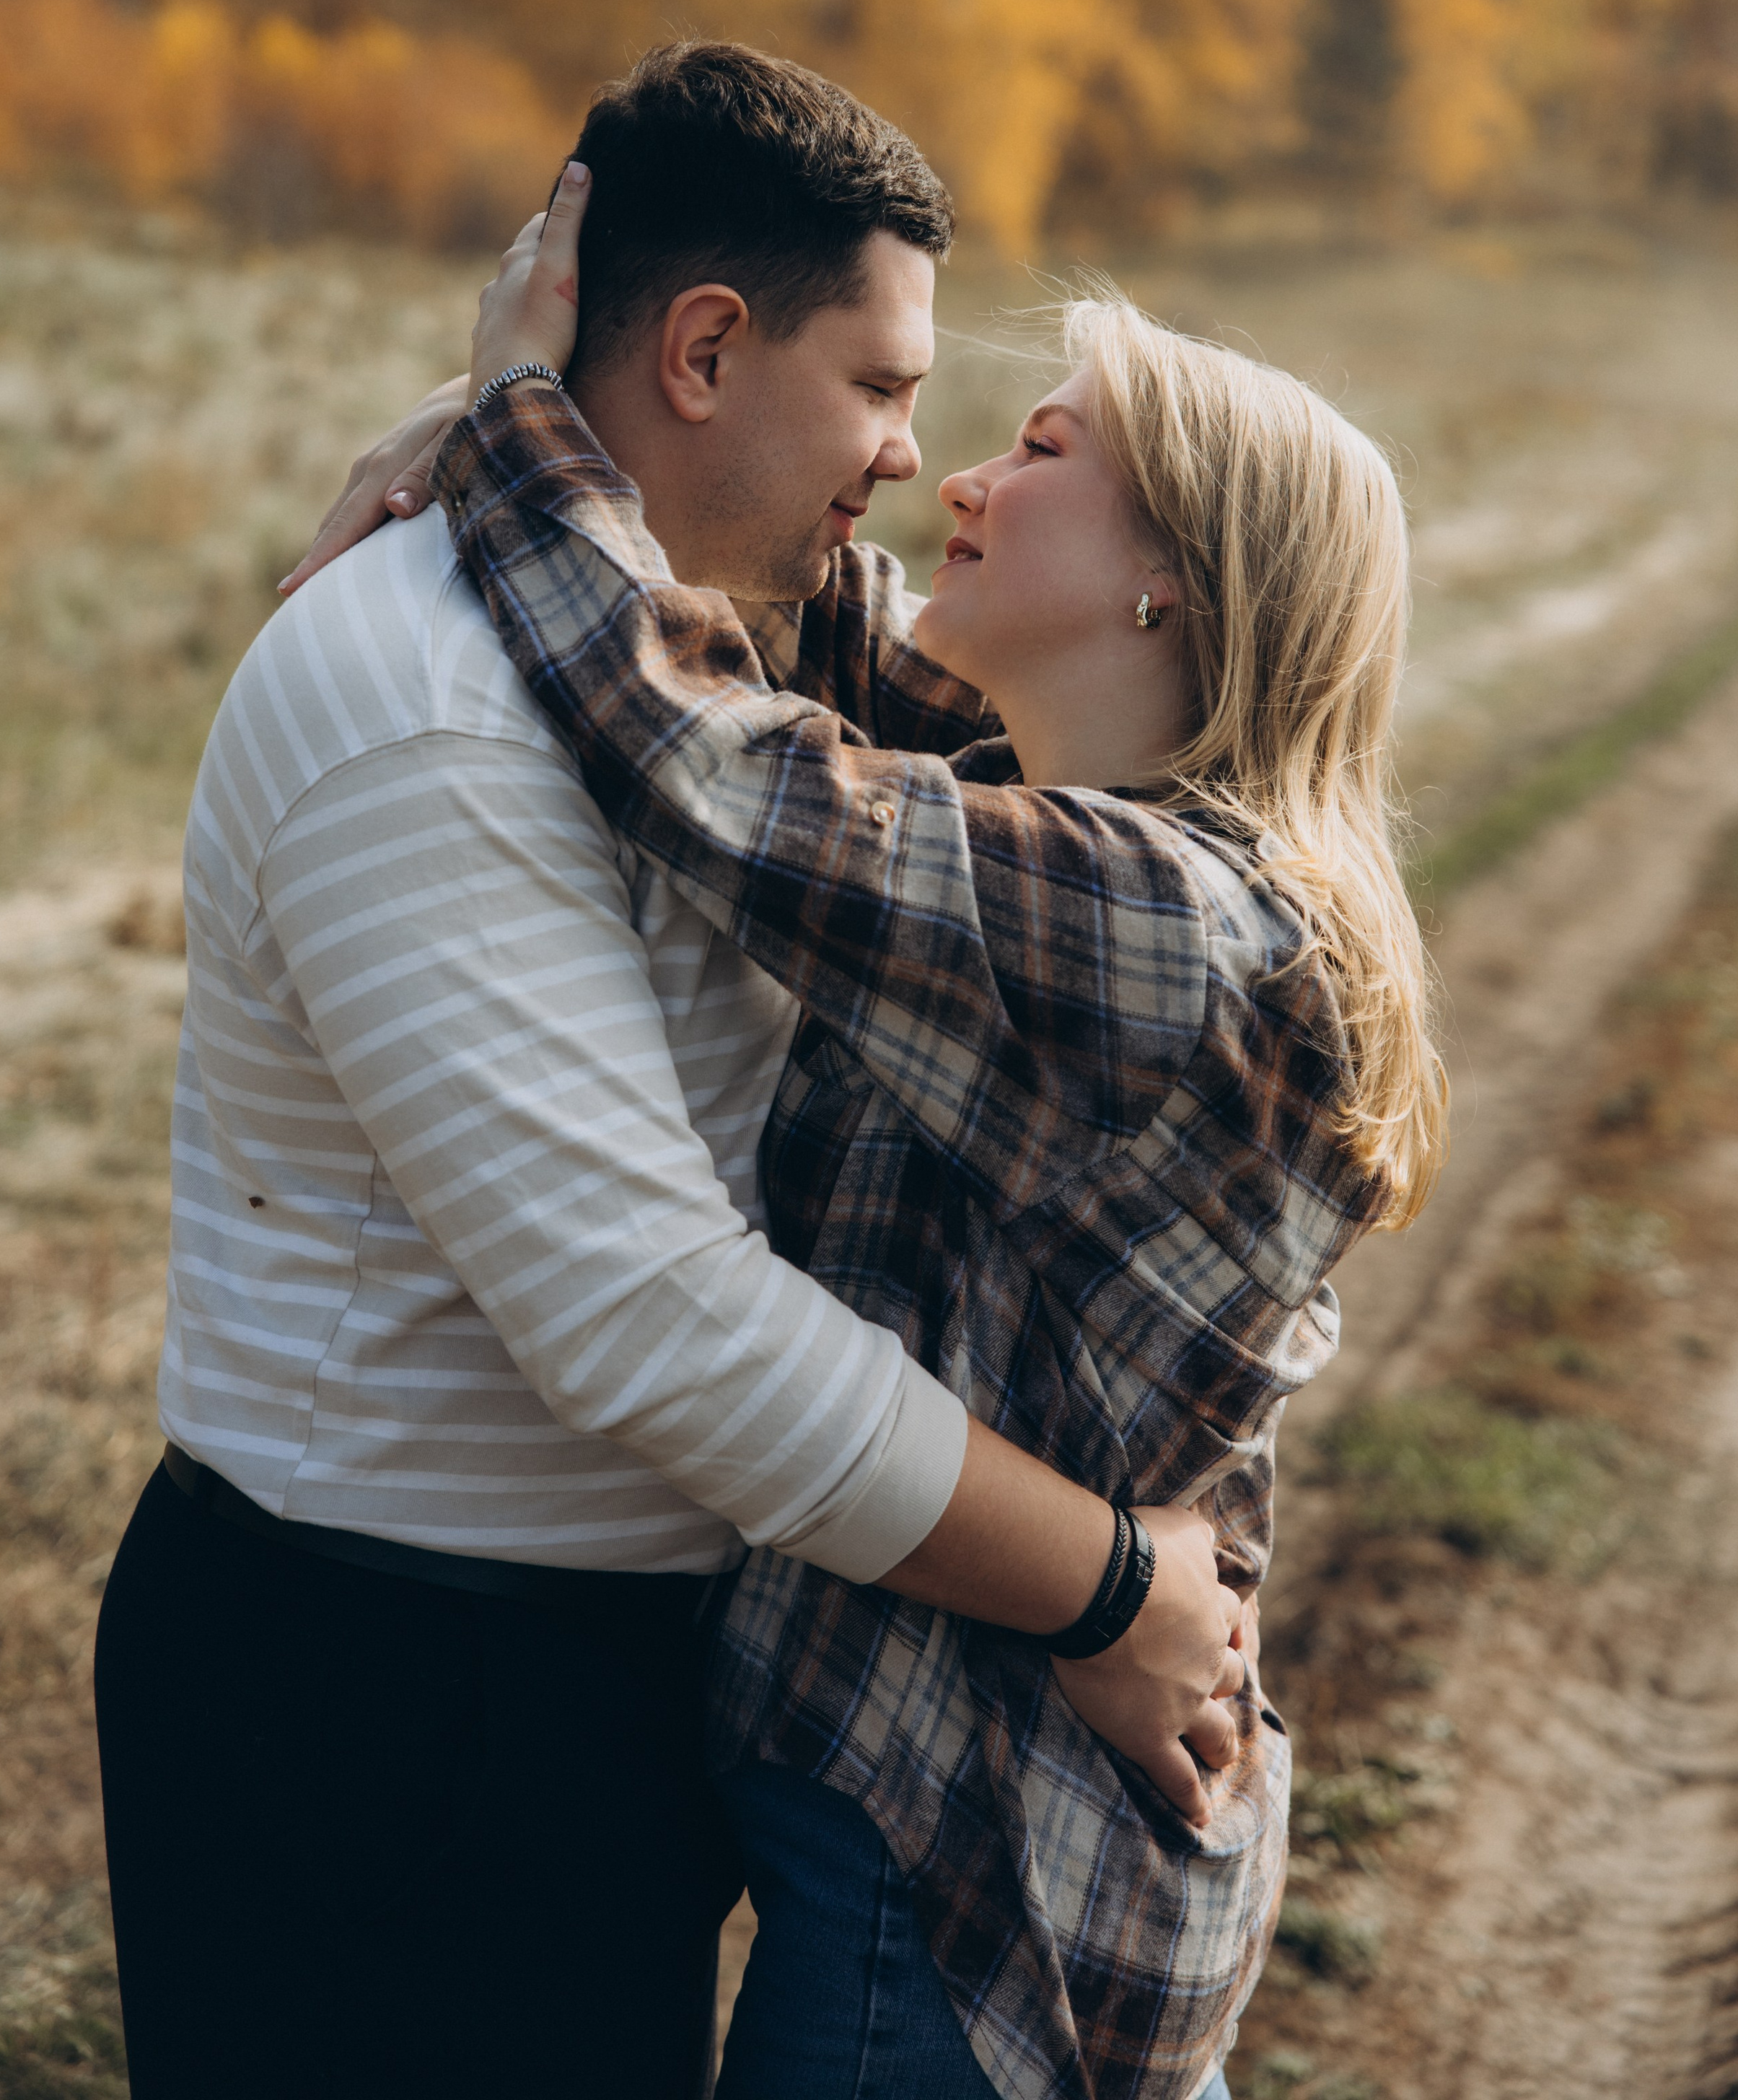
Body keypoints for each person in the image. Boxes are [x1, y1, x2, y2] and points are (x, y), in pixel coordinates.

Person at [93, 45, 1251, 2100]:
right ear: (706, 351)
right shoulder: (429, 697)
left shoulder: (723, 646)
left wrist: (490, 420)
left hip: (587, 1687)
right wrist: (1104, 1585)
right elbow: (652, 1319)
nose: (910, 454)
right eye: (881, 386)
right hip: (386, 1697)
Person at [341, 133, 1447, 2100]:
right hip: (1000, 1863)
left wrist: (518, 410)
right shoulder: (1107, 833)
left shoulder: (1160, 927)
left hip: (977, 1911)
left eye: (1039, 450)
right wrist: (495, 427)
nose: (961, 481)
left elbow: (712, 757)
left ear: (1170, 581)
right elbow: (793, 613)